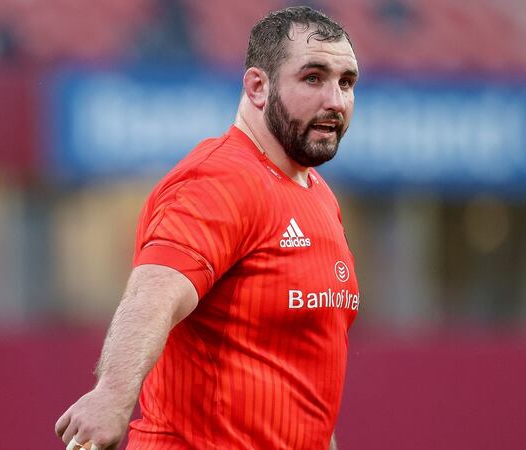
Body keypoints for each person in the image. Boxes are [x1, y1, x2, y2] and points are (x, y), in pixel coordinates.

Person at [55, 6, 360, 450]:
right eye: (313, 78)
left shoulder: (319, 194)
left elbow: (307, 374)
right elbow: (153, 293)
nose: (335, 100)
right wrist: (113, 396)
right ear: (258, 86)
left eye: (346, 82)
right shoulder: (218, 180)